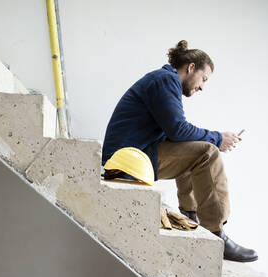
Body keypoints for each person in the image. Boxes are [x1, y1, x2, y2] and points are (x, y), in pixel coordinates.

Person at [101, 40, 258, 262]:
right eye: (204, 79)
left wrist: (214, 138)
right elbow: (178, 129)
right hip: (127, 160)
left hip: (132, 157)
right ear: (191, 67)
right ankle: (216, 233)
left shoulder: (162, 81)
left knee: (194, 151)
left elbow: (174, 135)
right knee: (207, 152)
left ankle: (190, 215)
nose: (203, 86)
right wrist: (218, 138)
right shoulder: (165, 80)